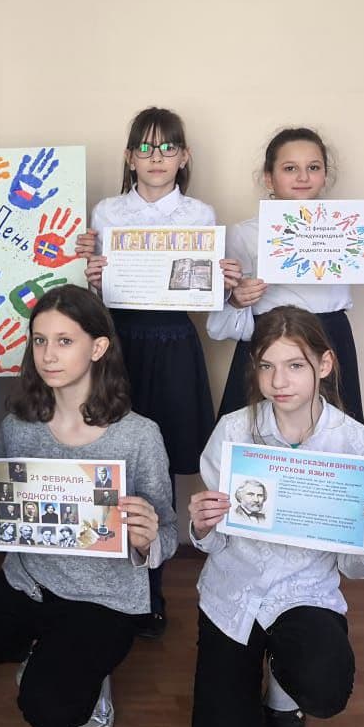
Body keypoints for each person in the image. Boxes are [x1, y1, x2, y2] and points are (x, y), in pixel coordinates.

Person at [0, 285, 176, 727]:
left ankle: (85, 673)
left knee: (49, 709)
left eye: (64, 341)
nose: (48, 355)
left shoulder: (139, 435)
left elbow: (166, 532)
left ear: (98, 348)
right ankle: (40, 648)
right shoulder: (18, 427)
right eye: (39, 340)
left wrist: (146, 539)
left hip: (102, 601)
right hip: (27, 584)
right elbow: (6, 518)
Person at [188, 305, 364, 727]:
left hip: (305, 592)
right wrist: (202, 526)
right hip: (232, 592)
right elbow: (215, 540)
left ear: (324, 365)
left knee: (324, 688)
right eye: (266, 366)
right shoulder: (232, 432)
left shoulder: (360, 447)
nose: (279, 382)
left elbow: (353, 566)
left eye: (295, 365)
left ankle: (283, 690)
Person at [80, 107, 240, 639]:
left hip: (173, 345)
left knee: (158, 463)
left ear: (184, 157)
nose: (156, 157)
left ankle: (150, 589)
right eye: (145, 148)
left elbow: (205, 295)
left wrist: (224, 281)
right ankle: (103, 582)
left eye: (167, 147)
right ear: (130, 157)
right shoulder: (107, 212)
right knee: (111, 453)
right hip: (118, 345)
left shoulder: (199, 214)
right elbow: (96, 294)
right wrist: (91, 276)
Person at [208, 127, 364, 423]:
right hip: (267, 343)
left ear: (325, 176)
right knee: (257, 437)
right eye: (290, 168)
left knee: (332, 438)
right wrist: (237, 299)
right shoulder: (245, 233)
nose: (303, 177)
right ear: (269, 178)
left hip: (328, 340)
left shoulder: (348, 226)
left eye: (313, 167)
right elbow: (221, 322)